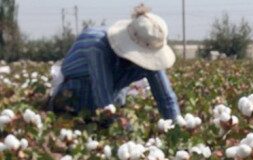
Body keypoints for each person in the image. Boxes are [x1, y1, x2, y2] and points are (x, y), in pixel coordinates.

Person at [50, 4, 180, 120]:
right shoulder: (97, 46)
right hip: (74, 95)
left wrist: (177, 127)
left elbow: (166, 98)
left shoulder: (149, 42)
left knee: (118, 102)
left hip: (114, 93)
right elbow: (102, 94)